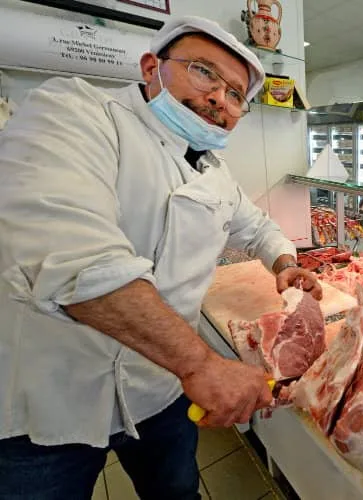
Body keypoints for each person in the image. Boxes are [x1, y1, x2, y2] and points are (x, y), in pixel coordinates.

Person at [0, 16, 321, 500]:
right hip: (50, 400)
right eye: (203, 72)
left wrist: (283, 261)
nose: (220, 99)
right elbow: (71, 255)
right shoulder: (76, 111)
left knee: (176, 491)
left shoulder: (213, 171)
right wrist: (201, 366)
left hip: (159, 390)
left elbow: (256, 227)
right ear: (152, 66)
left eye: (236, 95)